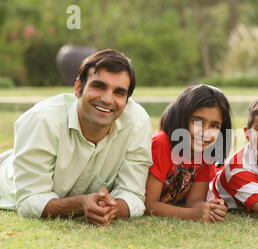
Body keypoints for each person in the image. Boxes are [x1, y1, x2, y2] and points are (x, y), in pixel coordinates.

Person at [0, 49, 153, 226]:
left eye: (119, 92)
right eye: (99, 86)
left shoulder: (137, 123)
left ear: (126, 100)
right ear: (78, 88)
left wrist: (112, 208)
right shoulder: (41, 120)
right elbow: (29, 201)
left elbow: (133, 195)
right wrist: (80, 204)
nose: (107, 99)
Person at [145, 84, 231, 222]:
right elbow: (148, 204)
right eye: (197, 122)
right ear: (180, 117)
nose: (204, 133)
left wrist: (208, 208)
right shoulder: (162, 144)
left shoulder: (205, 152)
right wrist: (191, 215)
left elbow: (194, 202)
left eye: (214, 126)